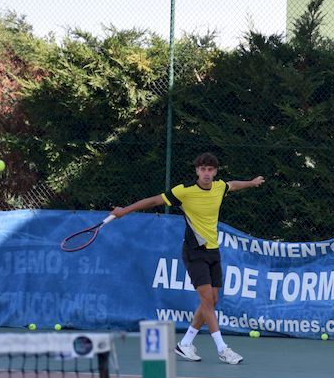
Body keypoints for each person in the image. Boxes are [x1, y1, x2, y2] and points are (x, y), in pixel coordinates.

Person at [110, 152, 265, 364]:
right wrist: (124, 211)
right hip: (194, 252)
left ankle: (185, 344)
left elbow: (233, 185)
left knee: (213, 299)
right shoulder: (184, 191)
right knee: (207, 301)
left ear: (215, 171)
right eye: (203, 169)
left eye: (210, 169)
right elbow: (154, 200)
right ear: (197, 171)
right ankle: (222, 348)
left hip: (213, 251)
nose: (207, 173)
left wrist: (252, 183)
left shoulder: (219, 187)